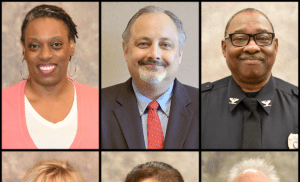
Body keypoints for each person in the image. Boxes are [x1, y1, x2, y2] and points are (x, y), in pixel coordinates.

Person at [2, 4, 99, 149]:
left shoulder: (100, 103)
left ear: (71, 46)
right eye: (34, 46)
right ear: (24, 48)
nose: (45, 55)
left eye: (56, 44)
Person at [102, 6, 199, 149]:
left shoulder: (207, 105)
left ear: (179, 54)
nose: (154, 54)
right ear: (126, 50)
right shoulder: (98, 105)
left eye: (165, 45)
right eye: (143, 44)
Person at [202, 8, 298, 149]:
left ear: (275, 46)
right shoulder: (198, 105)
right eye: (240, 39)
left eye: (263, 38)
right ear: (224, 48)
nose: (252, 47)